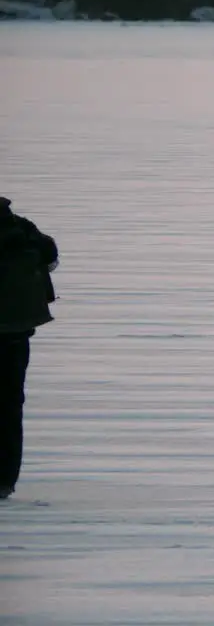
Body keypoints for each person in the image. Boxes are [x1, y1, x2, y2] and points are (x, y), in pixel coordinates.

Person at [0, 196, 58, 500]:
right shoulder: (23, 230)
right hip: (15, 332)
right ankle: (5, 479)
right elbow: (50, 256)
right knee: (9, 407)